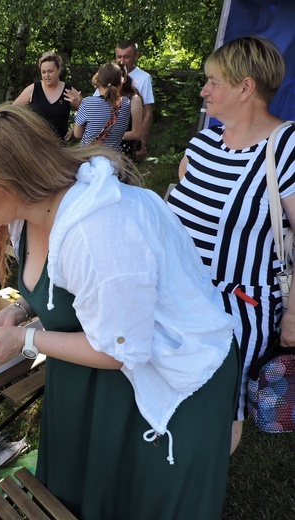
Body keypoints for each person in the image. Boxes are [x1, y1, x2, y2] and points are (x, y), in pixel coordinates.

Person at [0, 104, 239, 519]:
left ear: (12, 179)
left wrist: (24, 339)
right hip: (95, 374)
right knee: (84, 491)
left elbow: (121, 350)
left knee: (140, 500)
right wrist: (18, 312)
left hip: (167, 375)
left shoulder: (98, 231)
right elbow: (60, 286)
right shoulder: (25, 214)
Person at [166, 35, 295, 453]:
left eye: (213, 81)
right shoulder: (202, 144)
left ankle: (203, 485)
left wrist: (293, 316)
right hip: (177, 297)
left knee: (220, 410)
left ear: (246, 87)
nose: (203, 90)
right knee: (169, 394)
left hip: (239, 310)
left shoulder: (287, 147)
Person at [13, 51, 80, 140]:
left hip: (60, 147)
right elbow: (12, 110)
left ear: (59, 69)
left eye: (50, 71)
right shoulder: (33, 89)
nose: (46, 75)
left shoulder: (68, 91)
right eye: (43, 72)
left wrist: (74, 129)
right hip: (36, 145)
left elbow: (89, 111)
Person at [73, 62, 133, 151]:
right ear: (120, 84)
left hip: (88, 156)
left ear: (97, 82)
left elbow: (77, 134)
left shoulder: (87, 102)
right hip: (114, 158)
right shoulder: (126, 103)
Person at [115, 40, 154, 161]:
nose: (122, 61)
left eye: (127, 57)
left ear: (136, 56)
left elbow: (148, 113)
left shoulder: (144, 78)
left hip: (130, 138)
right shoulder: (110, 74)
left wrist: (142, 143)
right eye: (119, 57)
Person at [118, 62, 144, 160]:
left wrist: (110, 136)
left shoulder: (134, 99)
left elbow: (136, 133)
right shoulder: (104, 98)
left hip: (123, 152)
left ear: (124, 79)